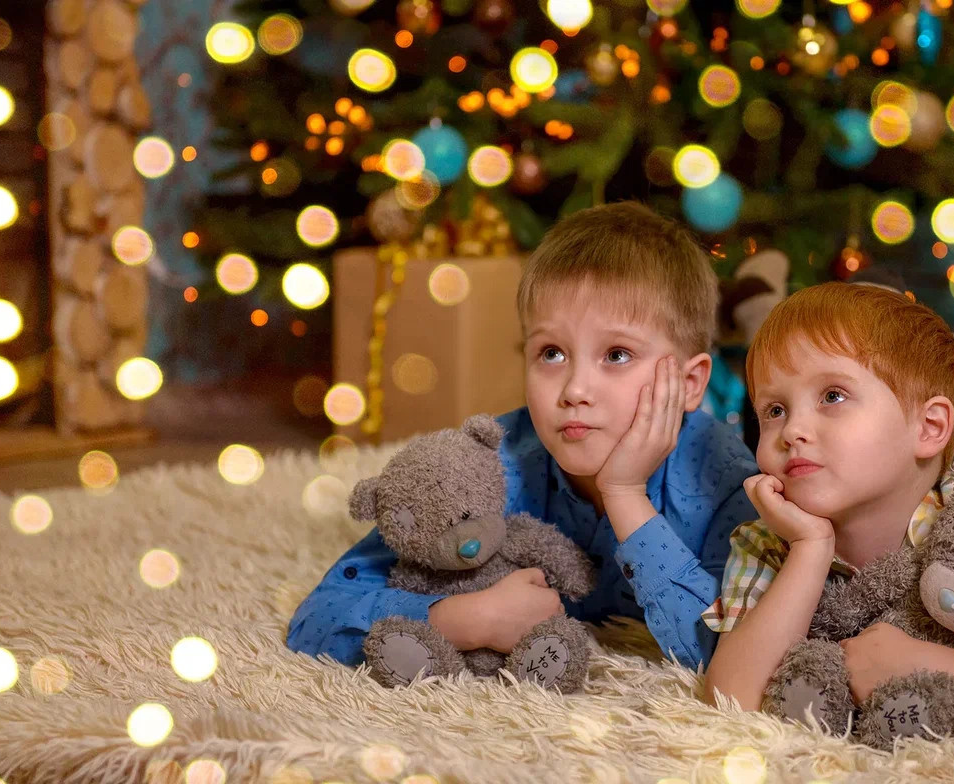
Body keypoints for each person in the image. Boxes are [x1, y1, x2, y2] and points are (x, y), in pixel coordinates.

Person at [287, 201, 759, 673]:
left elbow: (733, 656)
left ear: (691, 384)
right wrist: (466, 619)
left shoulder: (725, 483)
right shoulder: (493, 465)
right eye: (551, 353)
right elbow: (317, 618)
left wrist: (625, 494)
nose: (574, 390)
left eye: (616, 355)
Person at [701, 282, 954, 726]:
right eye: (774, 410)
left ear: (929, 428)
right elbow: (732, 697)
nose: (792, 429)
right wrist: (811, 548)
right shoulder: (767, 539)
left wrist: (920, 662)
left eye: (832, 396)